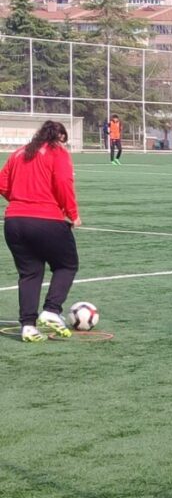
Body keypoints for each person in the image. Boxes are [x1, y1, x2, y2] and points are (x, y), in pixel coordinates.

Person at [0, 121, 81, 342]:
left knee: (30, 273)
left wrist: (19, 201)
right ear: (59, 137)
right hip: (46, 219)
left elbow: (2, 183)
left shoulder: (19, 153)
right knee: (67, 265)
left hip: (14, 222)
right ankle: (52, 310)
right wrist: (72, 213)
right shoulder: (57, 152)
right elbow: (63, 182)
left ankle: (28, 325)